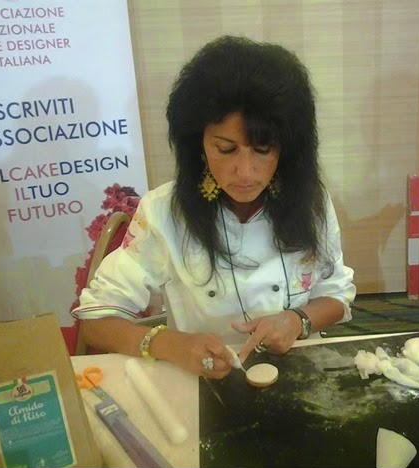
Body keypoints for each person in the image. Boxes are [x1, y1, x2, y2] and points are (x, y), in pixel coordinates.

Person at [72, 35, 356, 379]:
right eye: (226, 149)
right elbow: (97, 321)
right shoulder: (164, 212)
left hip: (297, 371)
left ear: (286, 147)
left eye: (263, 149)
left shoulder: (309, 202)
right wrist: (169, 344)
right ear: (199, 144)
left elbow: (337, 296)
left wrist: (298, 320)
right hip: (201, 379)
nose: (245, 172)